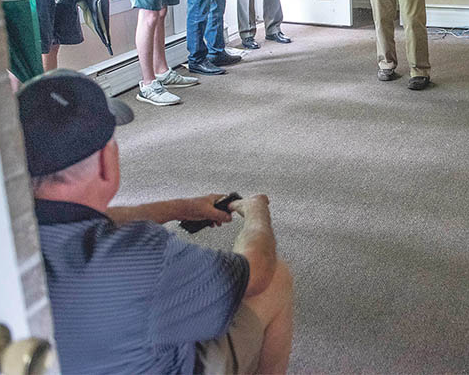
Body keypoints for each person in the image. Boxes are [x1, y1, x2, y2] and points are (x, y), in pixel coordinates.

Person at [20, 70, 293, 373]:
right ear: (104, 165)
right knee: (276, 279)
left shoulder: (4, 231)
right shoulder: (142, 255)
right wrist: (256, 213)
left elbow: (100, 220)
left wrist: (181, 208)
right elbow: (256, 271)